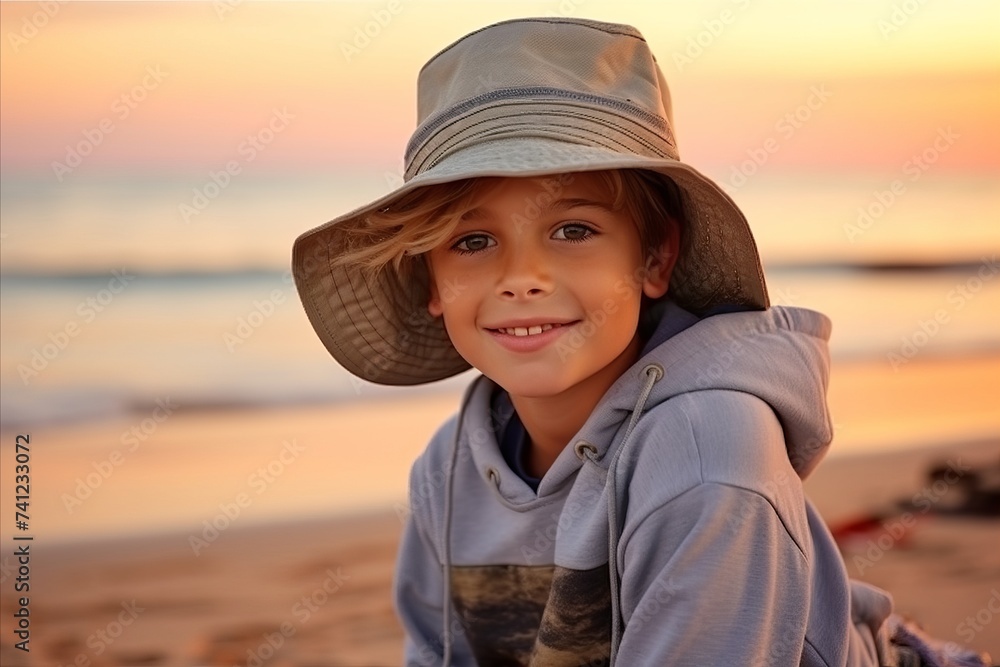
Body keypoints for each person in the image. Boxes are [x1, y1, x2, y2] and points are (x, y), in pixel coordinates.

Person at [292, 17, 989, 667]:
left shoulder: (708, 453)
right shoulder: (448, 469)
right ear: (432, 285)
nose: (523, 278)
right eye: (473, 241)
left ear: (655, 258)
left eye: (573, 229)